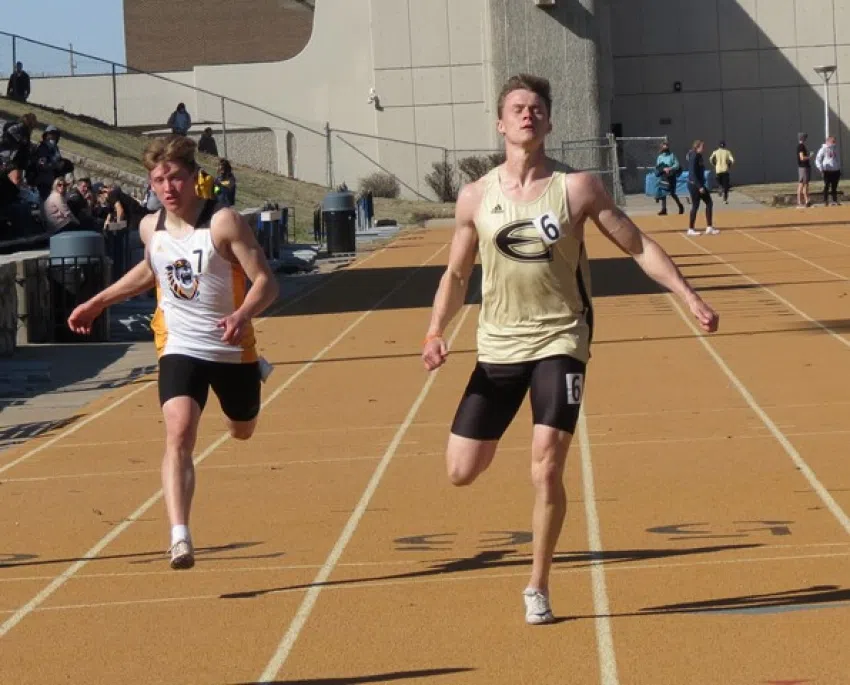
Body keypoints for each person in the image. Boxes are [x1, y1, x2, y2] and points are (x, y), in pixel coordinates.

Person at [420, 73, 719, 625]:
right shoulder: (475, 197)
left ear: (550, 122)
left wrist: (688, 295)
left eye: (536, 108)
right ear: (500, 122)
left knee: (546, 467)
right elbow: (457, 274)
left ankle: (537, 584)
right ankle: (496, 452)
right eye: (517, 108)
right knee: (462, 470)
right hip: (498, 345)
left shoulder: (577, 188)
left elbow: (638, 244)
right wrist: (437, 331)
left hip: (562, 339)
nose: (527, 115)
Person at [67, 135, 279, 570]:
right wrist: (99, 301)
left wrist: (241, 315)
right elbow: (152, 268)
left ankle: (252, 375)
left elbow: (266, 282)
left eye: (176, 178)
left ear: (193, 177)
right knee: (179, 432)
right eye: (159, 180)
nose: (168, 188)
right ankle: (179, 535)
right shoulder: (151, 227)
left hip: (230, 347)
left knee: (242, 429)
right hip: (178, 343)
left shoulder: (224, 223)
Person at [686, 140, 718, 236]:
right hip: (694, 184)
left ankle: (709, 227)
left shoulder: (698, 156)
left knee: (709, 202)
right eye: (702, 147)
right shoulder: (694, 156)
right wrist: (699, 186)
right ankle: (690, 229)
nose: (704, 148)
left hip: (699, 183)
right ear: (697, 147)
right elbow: (692, 173)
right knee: (695, 205)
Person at [654, 140, 684, 215]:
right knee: (663, 192)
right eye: (664, 146)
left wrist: (670, 168)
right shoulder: (660, 157)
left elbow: (677, 165)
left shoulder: (672, 155)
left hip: (671, 176)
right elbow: (658, 166)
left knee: (672, 193)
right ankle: (664, 209)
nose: (665, 148)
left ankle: (680, 206)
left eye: (667, 146)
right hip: (663, 176)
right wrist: (663, 169)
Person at [815, 135, 841, 206]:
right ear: (828, 141)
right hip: (827, 171)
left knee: (834, 187)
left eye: (834, 141)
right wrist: (821, 168)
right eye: (833, 141)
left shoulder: (835, 148)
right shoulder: (823, 149)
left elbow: (838, 159)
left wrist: (839, 167)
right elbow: (818, 159)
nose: (834, 143)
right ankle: (825, 200)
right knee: (826, 185)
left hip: (836, 171)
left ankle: (834, 200)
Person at [797, 132, 812, 209]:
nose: (806, 139)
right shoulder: (801, 147)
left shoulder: (802, 146)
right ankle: (805, 201)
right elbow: (802, 158)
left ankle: (802, 201)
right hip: (803, 167)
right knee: (804, 184)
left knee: (802, 184)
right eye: (805, 137)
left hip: (804, 167)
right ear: (802, 138)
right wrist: (809, 157)